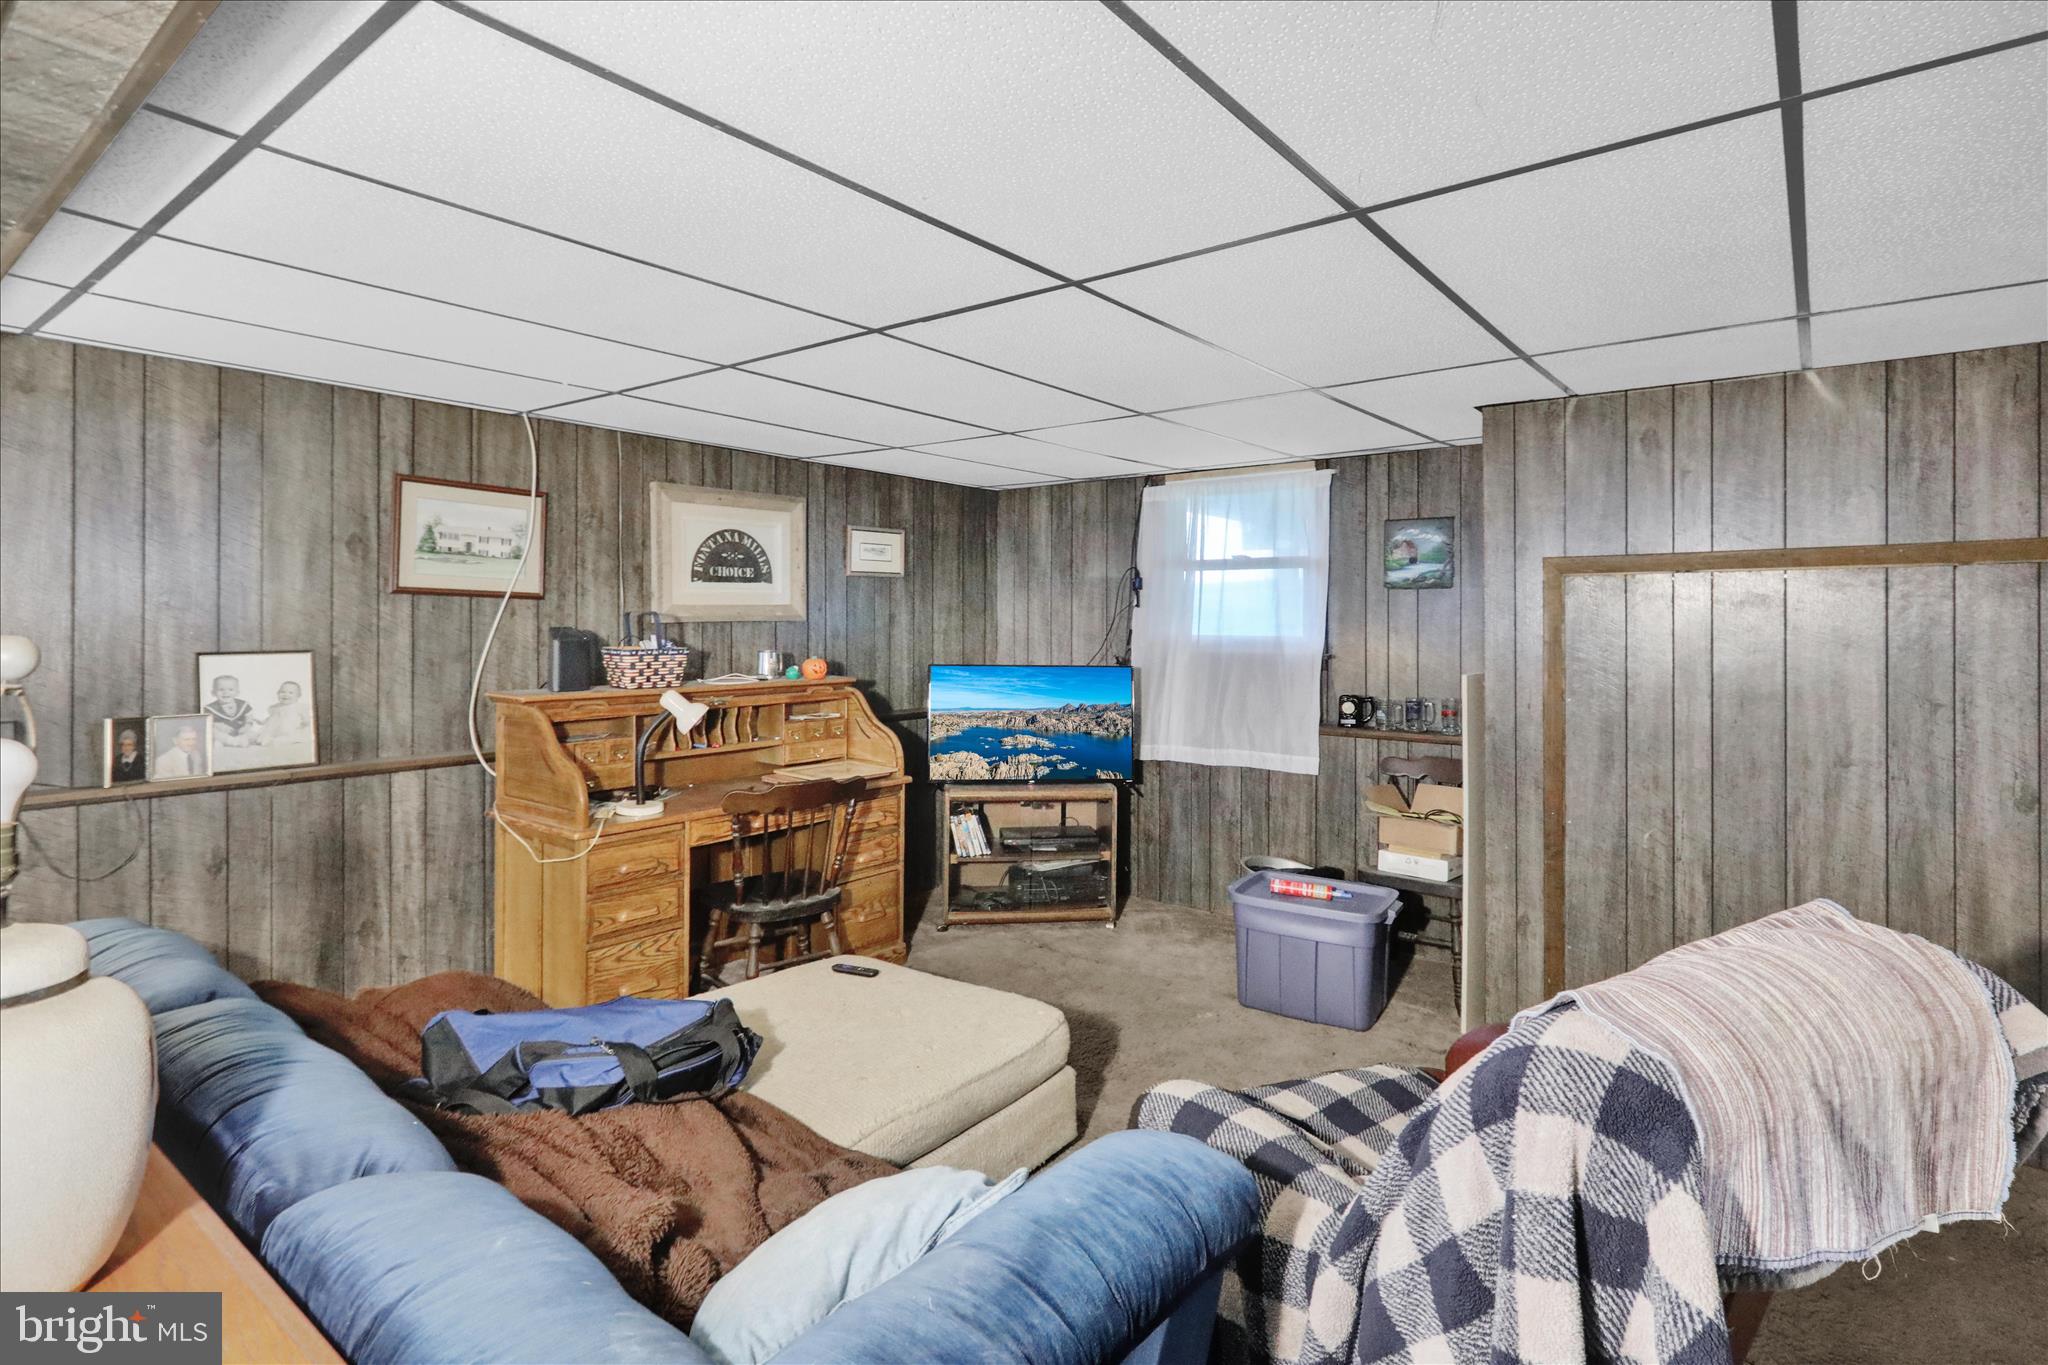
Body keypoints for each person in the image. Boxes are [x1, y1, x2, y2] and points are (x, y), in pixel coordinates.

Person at [253, 680, 311, 748]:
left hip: (291, 731)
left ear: (298, 695)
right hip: (275, 730)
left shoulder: (299, 707)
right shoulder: (275, 707)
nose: (286, 694)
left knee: (287, 739)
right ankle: (264, 740)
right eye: (282, 692)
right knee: (262, 736)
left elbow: (307, 719)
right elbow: (271, 718)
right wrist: (262, 722)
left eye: (290, 693)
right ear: (277, 693)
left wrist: (305, 724)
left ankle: (274, 742)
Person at [203, 674, 257, 742]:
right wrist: (219, 726)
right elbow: (208, 722)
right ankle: (232, 742)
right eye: (221, 689)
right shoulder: (211, 708)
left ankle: (250, 739)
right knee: (212, 732)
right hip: (223, 732)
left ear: (237, 692)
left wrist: (247, 726)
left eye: (231, 689)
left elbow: (249, 717)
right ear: (213, 693)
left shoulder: (243, 704)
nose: (225, 692)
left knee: (254, 730)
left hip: (240, 730)